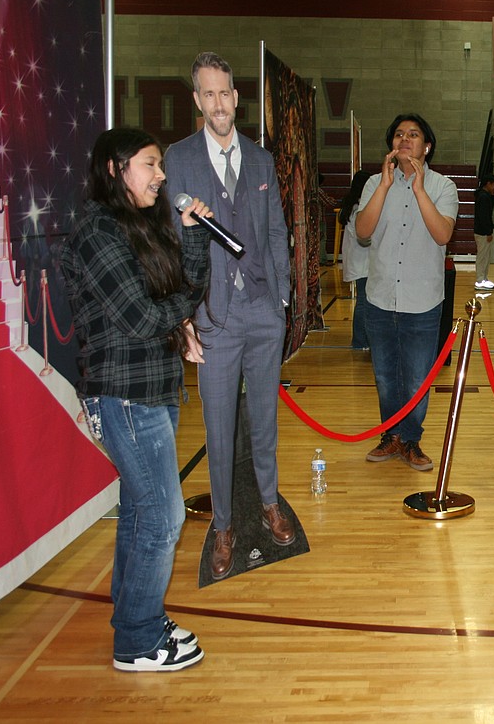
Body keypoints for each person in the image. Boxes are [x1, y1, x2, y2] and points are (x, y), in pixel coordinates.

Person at [58, 127, 211, 671]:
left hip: (154, 390)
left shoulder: (140, 228)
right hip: (123, 397)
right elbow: (143, 317)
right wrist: (180, 318)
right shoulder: (97, 232)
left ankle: (135, 618)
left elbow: (183, 289)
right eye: (150, 164)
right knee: (164, 519)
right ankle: (138, 642)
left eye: (160, 165)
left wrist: (193, 233)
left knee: (141, 515)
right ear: (114, 169)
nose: (162, 176)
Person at [163, 51, 296, 582]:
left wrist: (282, 299)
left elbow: (277, 232)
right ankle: (222, 524)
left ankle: (268, 502)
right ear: (197, 100)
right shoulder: (177, 158)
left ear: (237, 98)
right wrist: (185, 317)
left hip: (263, 311)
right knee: (217, 427)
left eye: (226, 93)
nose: (219, 104)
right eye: (208, 94)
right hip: (212, 315)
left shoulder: (262, 161)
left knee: (264, 418)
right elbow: (169, 245)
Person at [356, 113, 459, 471]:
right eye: (399, 134)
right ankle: (391, 437)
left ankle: (411, 439)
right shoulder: (373, 184)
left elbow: (443, 234)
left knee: (416, 378)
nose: (405, 140)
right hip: (381, 297)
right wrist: (384, 187)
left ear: (426, 147)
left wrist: (418, 188)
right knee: (385, 376)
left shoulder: (444, 187)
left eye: (413, 135)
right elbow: (362, 231)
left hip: (423, 300)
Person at [339, 169, 373, 350]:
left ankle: (364, 338)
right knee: (363, 302)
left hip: (363, 263)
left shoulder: (357, 207)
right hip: (362, 264)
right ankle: (360, 341)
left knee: (365, 300)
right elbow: (364, 237)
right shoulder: (357, 209)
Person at [473, 173, 494, 290]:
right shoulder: (483, 197)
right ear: (488, 184)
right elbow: (484, 216)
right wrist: (488, 232)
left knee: (486, 256)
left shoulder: (484, 196)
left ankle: (484, 278)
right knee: (482, 256)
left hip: (483, 231)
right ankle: (479, 280)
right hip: (482, 232)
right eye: (493, 185)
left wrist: (493, 196)